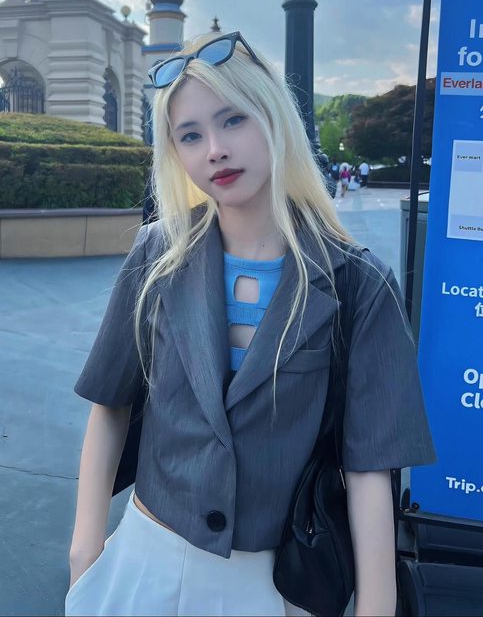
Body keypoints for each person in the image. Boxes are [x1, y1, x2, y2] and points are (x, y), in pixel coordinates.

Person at [65, 31, 436, 617]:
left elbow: (369, 468)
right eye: (190, 134)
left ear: (274, 118)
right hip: (141, 564)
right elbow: (111, 403)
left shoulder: (358, 283)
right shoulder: (157, 254)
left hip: (275, 582)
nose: (215, 149)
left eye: (233, 120)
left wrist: (376, 607)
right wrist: (85, 550)